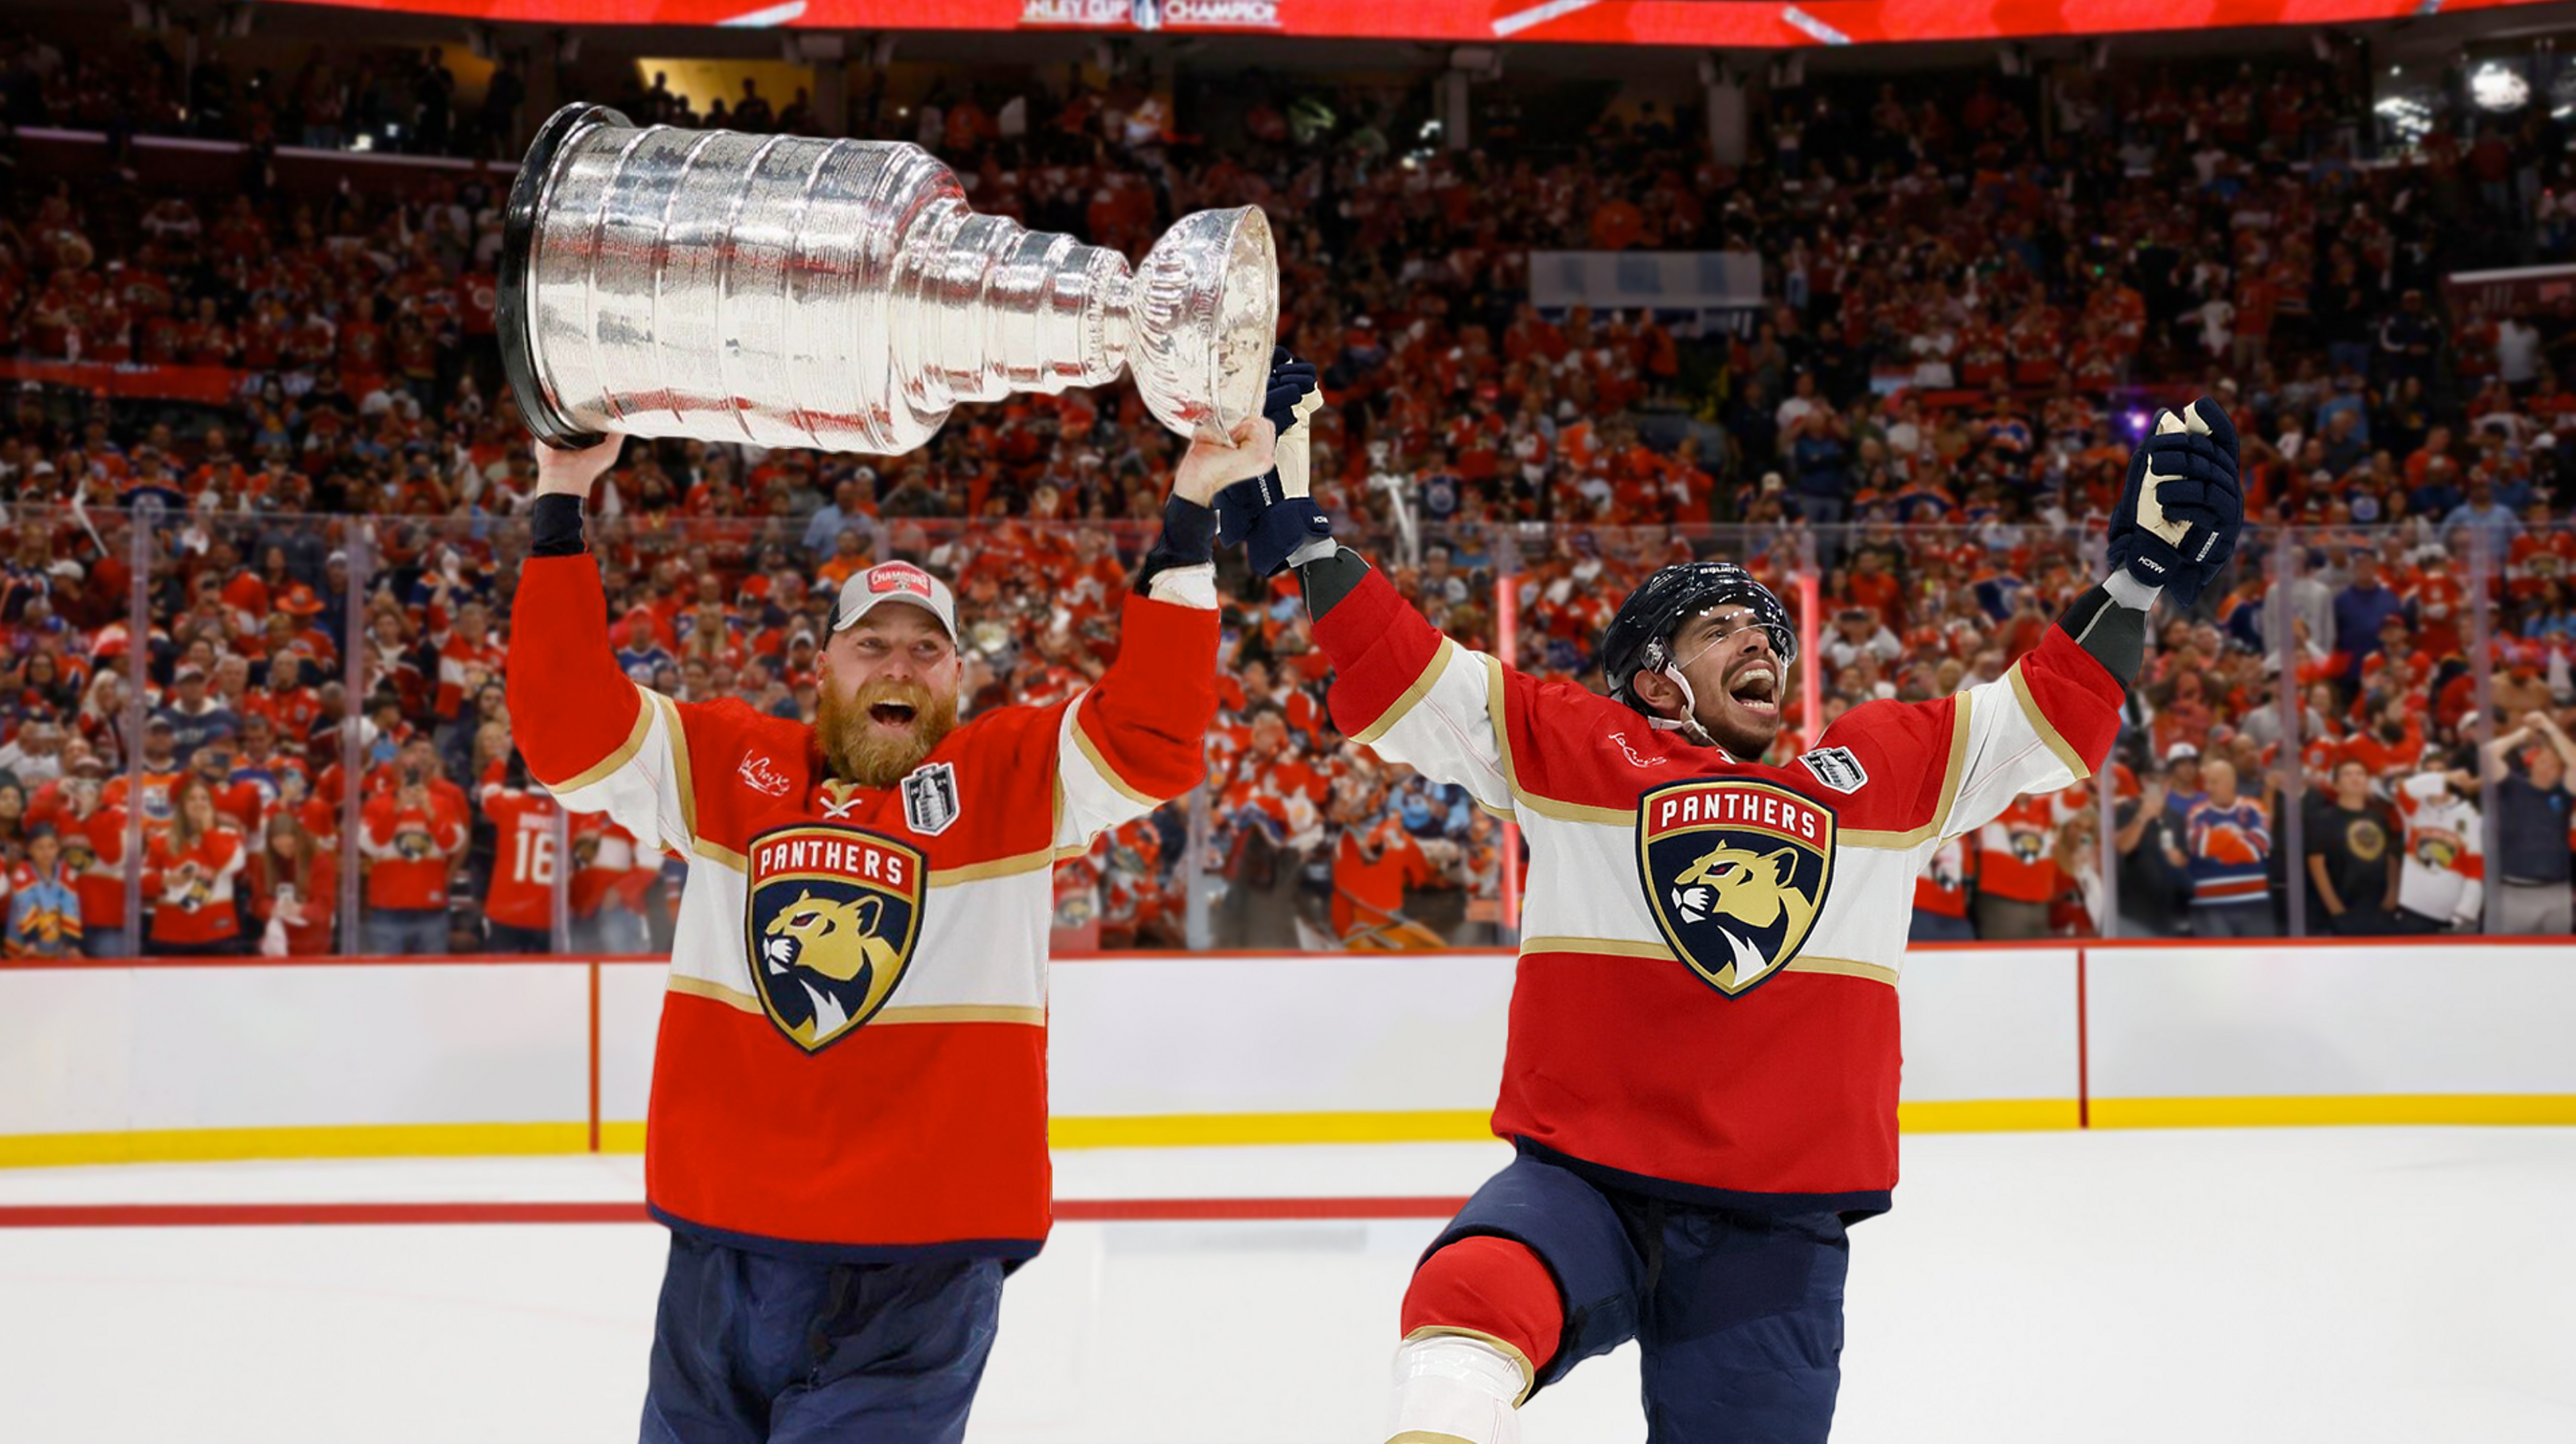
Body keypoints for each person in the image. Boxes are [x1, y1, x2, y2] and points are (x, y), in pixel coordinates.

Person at [1236, 362, 2241, 1440]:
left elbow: (2042, 718)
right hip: (1589, 1177)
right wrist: (1312, 549)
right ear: (1656, 679)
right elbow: (1407, 676)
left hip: (1778, 1220)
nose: (1761, 642)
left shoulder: (1879, 771)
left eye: (1768, 633)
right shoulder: (1579, 745)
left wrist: (2132, 584)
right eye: (1722, 628)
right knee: (1470, 1294)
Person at [504, 385, 1275, 1443]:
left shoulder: (1008, 775)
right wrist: (559, 497)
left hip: (923, 1258)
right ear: (823, 666)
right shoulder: (729, 761)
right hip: (727, 1243)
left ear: (959, 676)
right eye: (873, 645)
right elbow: (566, 730)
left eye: (925, 649)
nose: (898, 665)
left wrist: (1190, 513)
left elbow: (1153, 735)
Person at [2483, 711, 2575, 934]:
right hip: (2514, 891)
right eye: (2543, 761)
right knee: (2506, 959)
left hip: (2557, 891)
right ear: (2532, 763)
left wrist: (2551, 728)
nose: (2548, 768)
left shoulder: (2563, 795)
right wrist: (2521, 735)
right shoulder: (2513, 786)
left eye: (2555, 766)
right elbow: (2486, 755)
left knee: (2558, 961)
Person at [143, 775, 247, 956]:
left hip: (219, 932)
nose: (198, 803)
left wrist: (208, 831)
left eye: (204, 798)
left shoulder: (229, 834)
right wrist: (164, 880)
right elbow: (140, 881)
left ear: (212, 804)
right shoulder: (161, 840)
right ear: (181, 806)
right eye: (191, 798)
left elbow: (232, 865)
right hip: (171, 935)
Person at [2305, 759, 2402, 935]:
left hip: (2379, 909)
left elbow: (2391, 859)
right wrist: (2336, 910)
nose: (2355, 778)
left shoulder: (2379, 817)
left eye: (2360, 774)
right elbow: (2316, 865)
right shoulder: (2323, 819)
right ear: (2336, 785)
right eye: (2348, 774)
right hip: (2342, 907)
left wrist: (2391, 900)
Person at [2182, 757, 2273, 937]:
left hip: (2254, 901)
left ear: (2231, 783)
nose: (2208, 788)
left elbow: (2258, 847)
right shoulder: (2196, 812)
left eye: (2214, 782)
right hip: (2209, 904)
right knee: (2215, 965)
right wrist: (2239, 837)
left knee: (2258, 963)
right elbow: (2200, 845)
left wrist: (2218, 839)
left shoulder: (2255, 807)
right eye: (2206, 782)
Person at [4, 823, 81, 958]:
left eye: (51, 847)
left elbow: (71, 906)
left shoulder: (65, 871)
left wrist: (72, 944)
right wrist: (30, 942)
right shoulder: (23, 872)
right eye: (40, 847)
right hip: (25, 941)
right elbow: (25, 907)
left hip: (55, 942)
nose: (47, 853)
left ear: (58, 849)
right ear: (29, 850)